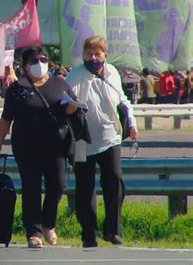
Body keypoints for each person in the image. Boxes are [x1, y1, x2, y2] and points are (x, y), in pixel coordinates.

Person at [0, 46, 78, 249]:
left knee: (57, 185)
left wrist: (72, 109)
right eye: (35, 61)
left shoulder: (60, 84)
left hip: (56, 147)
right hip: (26, 147)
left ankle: (49, 224)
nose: (40, 64)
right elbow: (6, 119)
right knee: (31, 189)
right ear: (25, 65)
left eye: (43, 59)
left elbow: (72, 108)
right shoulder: (17, 89)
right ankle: (34, 232)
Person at [65, 36, 138, 248]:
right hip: (81, 140)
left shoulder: (113, 73)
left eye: (98, 54)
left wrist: (131, 124)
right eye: (89, 54)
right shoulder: (74, 76)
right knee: (85, 187)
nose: (94, 58)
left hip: (110, 137)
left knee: (115, 181)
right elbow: (64, 103)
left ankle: (113, 230)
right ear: (83, 55)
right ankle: (89, 232)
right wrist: (69, 107)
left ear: (105, 55)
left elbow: (123, 100)